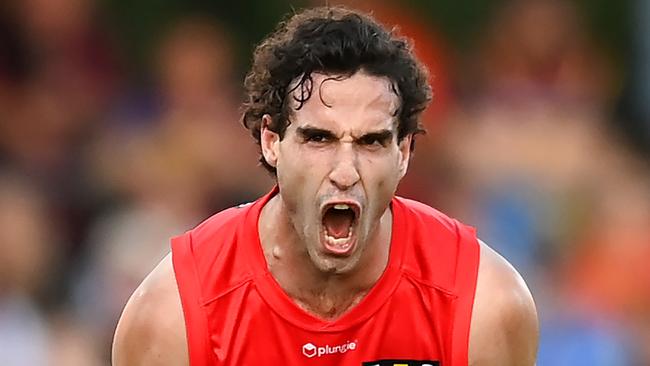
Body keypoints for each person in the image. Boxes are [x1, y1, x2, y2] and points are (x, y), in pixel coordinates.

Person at [112, 6, 538, 365]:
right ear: (271, 141)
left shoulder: (485, 304)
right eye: (319, 138)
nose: (345, 171)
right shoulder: (174, 314)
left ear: (404, 153)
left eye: (372, 141)